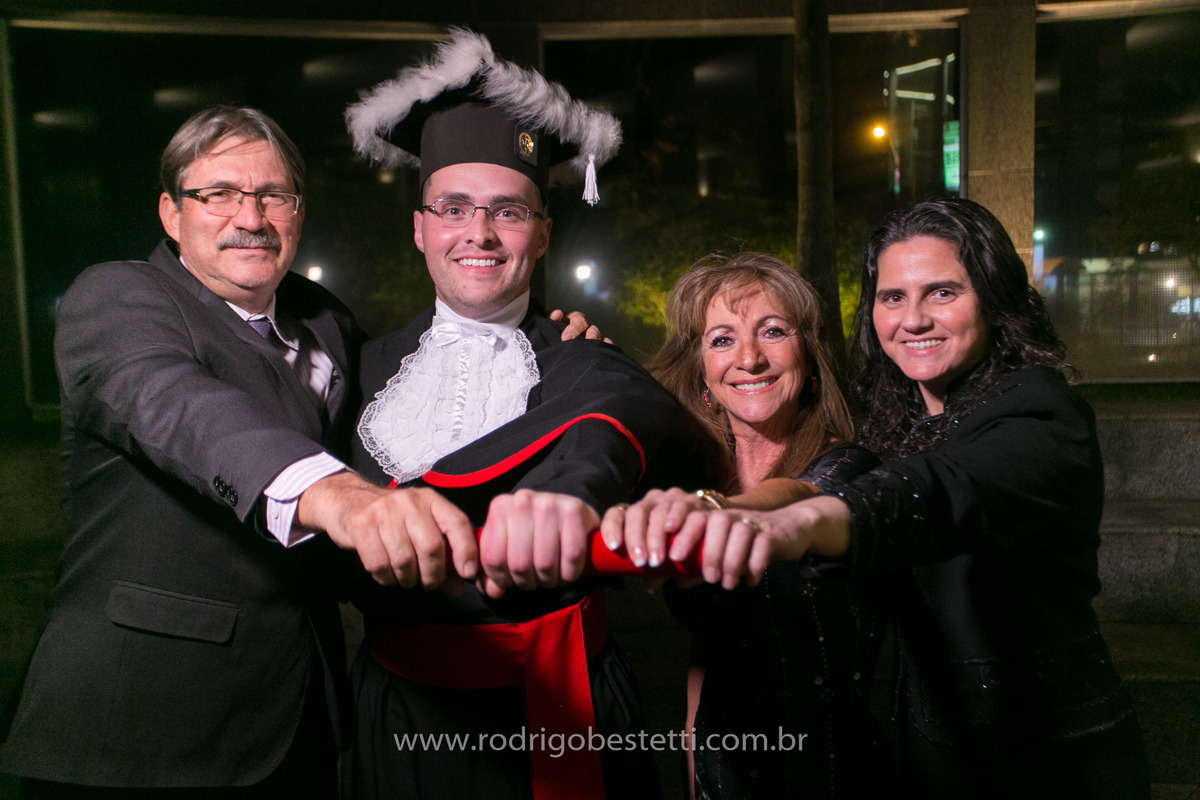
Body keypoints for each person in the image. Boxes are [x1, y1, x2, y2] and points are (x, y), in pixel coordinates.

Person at [0, 104, 595, 798]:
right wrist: (339, 498)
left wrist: (548, 341)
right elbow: (183, 410)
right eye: (218, 193)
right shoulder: (121, 297)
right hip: (138, 734)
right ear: (171, 213)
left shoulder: (327, 320)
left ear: (298, 212)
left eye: (272, 195)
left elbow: (416, 403)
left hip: (302, 728)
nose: (249, 217)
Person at [677, 198, 1151, 798]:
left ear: (994, 298)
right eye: (893, 297)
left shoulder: (1038, 409)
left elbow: (935, 490)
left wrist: (791, 523)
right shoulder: (894, 422)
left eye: (943, 293)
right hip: (935, 750)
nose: (914, 319)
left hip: (1049, 757)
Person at [339, 29, 702, 800]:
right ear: (420, 229)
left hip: (561, 708)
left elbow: (622, 430)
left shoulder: (588, 362)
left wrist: (564, 503)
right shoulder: (359, 369)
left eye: (508, 211)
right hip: (400, 718)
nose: (478, 232)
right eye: (454, 208)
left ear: (541, 234)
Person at [598, 252, 894, 799]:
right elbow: (707, 656)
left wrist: (720, 512)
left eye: (773, 331)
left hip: (826, 777)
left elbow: (796, 497)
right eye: (722, 339)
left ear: (809, 364)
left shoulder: (850, 467)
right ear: (704, 376)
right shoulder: (699, 476)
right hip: (720, 775)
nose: (750, 358)